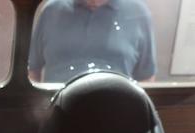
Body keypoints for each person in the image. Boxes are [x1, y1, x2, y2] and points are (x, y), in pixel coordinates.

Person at [28, 0, 157, 83]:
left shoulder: (137, 12)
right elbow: (32, 69)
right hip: (57, 111)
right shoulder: (52, 10)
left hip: (117, 110)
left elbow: (146, 77)